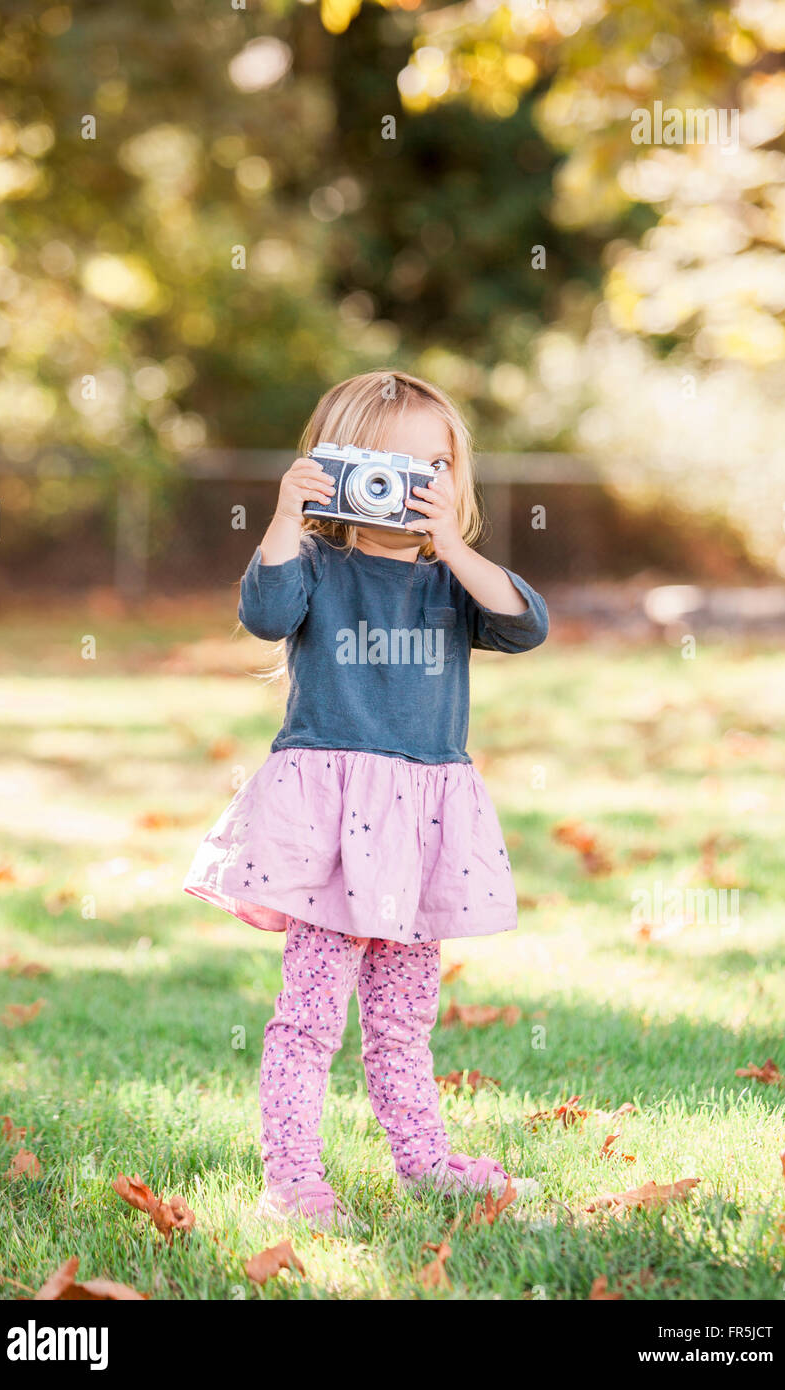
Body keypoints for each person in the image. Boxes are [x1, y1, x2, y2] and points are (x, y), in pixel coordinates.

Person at [184, 370, 549, 1228]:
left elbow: (526, 623)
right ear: (339, 470)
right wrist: (284, 517)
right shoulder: (315, 565)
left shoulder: (452, 582)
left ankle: (426, 1162)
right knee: (311, 1017)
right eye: (388, 467)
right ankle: (294, 1178)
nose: (413, 485)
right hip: (328, 824)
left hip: (420, 823)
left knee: (403, 1019)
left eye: (436, 465)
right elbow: (267, 614)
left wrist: (453, 546)